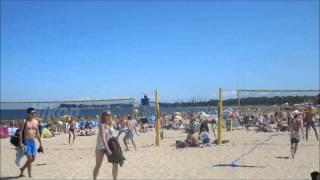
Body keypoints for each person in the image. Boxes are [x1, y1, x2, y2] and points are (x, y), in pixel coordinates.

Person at [93, 111, 119, 180]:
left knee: (115, 163)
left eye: (109, 115)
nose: (108, 116)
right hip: (101, 147)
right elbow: (103, 138)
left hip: (110, 146)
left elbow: (111, 135)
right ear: (103, 116)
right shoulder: (101, 125)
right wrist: (108, 150)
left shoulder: (111, 124)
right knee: (98, 165)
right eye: (106, 115)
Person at [18, 107, 43, 178]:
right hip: (26, 142)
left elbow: (37, 133)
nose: (33, 114)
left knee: (33, 159)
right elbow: (20, 132)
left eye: (34, 112)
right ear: (28, 113)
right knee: (29, 158)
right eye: (32, 113)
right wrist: (20, 143)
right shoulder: (24, 121)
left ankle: (22, 169)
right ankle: (30, 175)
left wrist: (40, 144)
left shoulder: (36, 121)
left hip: (33, 142)